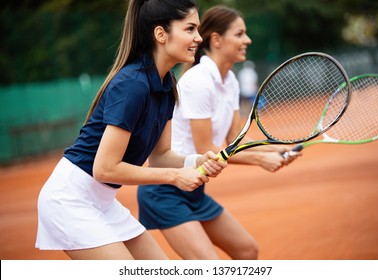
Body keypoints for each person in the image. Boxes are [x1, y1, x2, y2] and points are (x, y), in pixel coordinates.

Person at [35, 0, 227, 260]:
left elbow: (160, 155)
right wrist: (175, 177)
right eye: (190, 29)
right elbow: (105, 169)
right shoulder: (132, 84)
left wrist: (195, 161)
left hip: (103, 201)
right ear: (161, 34)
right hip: (70, 200)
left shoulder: (167, 85)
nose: (198, 37)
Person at [137, 5, 301, 260]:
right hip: (166, 188)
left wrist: (277, 150)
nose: (247, 40)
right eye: (239, 34)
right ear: (216, 40)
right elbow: (207, 150)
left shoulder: (230, 80)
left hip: (195, 188)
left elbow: (236, 140)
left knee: (247, 251)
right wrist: (260, 159)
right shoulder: (198, 81)